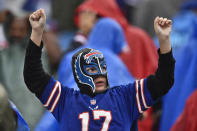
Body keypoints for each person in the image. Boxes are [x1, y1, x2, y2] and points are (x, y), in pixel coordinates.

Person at [24, 9, 175, 131]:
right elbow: (33, 77)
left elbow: (163, 81)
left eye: (103, 68)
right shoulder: (66, 99)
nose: (99, 74)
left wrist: (164, 41)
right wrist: (37, 33)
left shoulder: (125, 97)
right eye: (91, 69)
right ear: (78, 73)